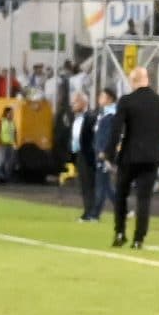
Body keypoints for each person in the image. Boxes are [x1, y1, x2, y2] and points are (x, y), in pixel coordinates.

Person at [109, 66, 159, 249]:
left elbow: (116, 129)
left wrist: (109, 152)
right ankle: (139, 239)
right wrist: (155, 147)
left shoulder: (127, 101)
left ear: (133, 81)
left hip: (129, 155)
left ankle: (120, 232)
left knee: (121, 195)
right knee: (144, 199)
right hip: (152, 156)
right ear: (147, 79)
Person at [86, 89, 118, 221]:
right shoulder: (103, 114)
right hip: (99, 152)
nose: (99, 98)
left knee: (102, 184)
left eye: (102, 96)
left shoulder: (111, 115)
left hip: (103, 154)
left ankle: (95, 214)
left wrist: (104, 152)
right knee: (106, 186)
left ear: (109, 98)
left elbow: (110, 136)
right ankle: (122, 209)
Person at [71, 91, 100, 220]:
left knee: (89, 185)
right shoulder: (76, 118)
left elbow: (93, 137)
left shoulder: (91, 117)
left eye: (76, 102)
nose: (73, 104)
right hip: (79, 154)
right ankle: (87, 211)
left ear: (84, 103)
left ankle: (91, 213)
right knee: (83, 185)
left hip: (88, 155)